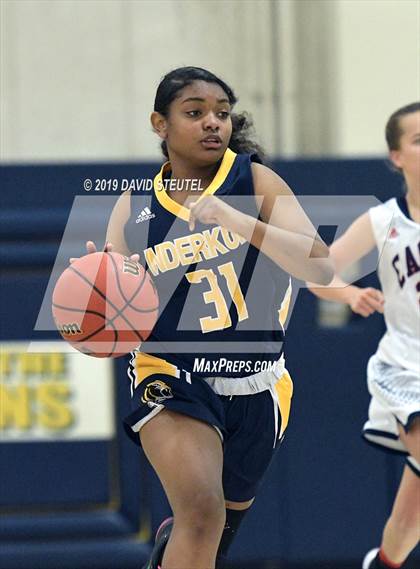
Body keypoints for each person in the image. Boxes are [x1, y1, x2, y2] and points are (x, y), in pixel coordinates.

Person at [82, 66, 333, 569]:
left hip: (258, 385)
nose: (212, 124)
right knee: (201, 512)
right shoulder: (133, 207)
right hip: (172, 374)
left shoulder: (255, 180)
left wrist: (237, 218)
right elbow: (104, 328)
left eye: (221, 114)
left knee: (213, 535)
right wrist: (94, 300)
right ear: (161, 124)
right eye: (194, 113)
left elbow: (320, 265)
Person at [309, 102, 420, 569]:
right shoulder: (384, 221)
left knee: (408, 521)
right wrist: (350, 296)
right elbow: (317, 274)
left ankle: (383, 564)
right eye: (418, 140)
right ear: (396, 156)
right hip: (406, 367)